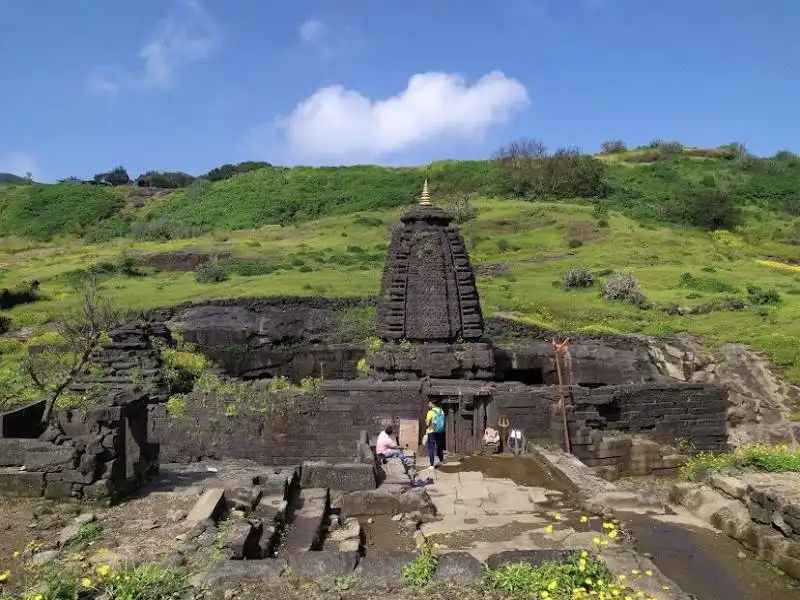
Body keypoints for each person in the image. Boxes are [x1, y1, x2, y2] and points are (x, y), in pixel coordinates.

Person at [425, 400, 446, 468]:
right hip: (440, 431)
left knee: (431, 447)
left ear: (432, 404)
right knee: (439, 446)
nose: (428, 405)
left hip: (432, 432)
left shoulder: (430, 412)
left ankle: (431, 465)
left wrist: (426, 420)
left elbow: (427, 424)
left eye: (429, 403)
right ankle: (441, 461)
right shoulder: (441, 411)